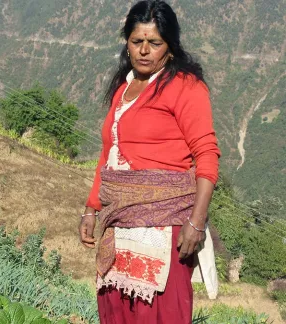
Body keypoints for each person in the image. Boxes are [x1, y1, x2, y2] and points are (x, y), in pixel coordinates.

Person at [78, 1, 221, 323]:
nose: (144, 50)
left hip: (166, 225)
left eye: (154, 43)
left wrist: (196, 223)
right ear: (126, 42)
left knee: (159, 313)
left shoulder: (185, 87)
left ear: (170, 46)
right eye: (136, 41)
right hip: (118, 222)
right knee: (117, 311)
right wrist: (91, 208)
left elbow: (207, 154)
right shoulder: (125, 88)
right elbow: (108, 155)